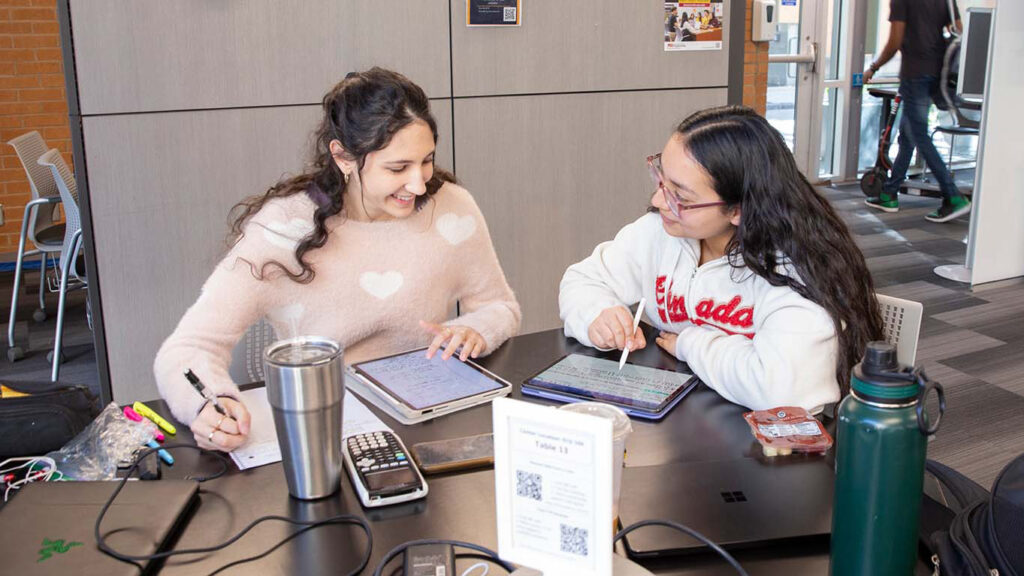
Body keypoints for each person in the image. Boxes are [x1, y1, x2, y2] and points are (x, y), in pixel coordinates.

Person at [154, 68, 521, 451]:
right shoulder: (283, 227)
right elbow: (186, 349)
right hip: (325, 433)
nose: (419, 184)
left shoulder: (451, 208)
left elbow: (500, 306)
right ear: (343, 157)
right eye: (398, 168)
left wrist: (475, 328)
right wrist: (209, 403)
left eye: (426, 161)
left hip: (430, 426)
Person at [559, 106, 883, 412]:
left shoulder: (793, 269)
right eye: (661, 180)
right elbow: (583, 280)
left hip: (767, 452)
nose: (658, 201)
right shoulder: (659, 234)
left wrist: (693, 344)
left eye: (680, 197)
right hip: (690, 419)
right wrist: (597, 314)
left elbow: (782, 392)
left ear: (739, 209)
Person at [863, 0, 970, 223]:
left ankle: (953, 196)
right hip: (937, 72)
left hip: (915, 73)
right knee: (909, 134)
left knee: (919, 135)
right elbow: (960, 30)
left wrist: (873, 67)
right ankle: (890, 193)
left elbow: (895, 40)